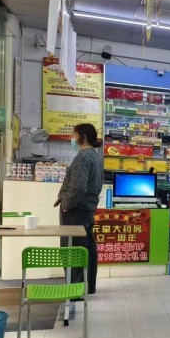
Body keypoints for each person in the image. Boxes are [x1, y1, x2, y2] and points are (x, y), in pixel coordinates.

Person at [54, 123, 103, 294]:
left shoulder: (83, 157)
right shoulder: (95, 156)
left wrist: (66, 205)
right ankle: (88, 286)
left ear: (83, 137)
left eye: (74, 135)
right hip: (88, 208)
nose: (72, 138)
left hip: (76, 209)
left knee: (73, 249)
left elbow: (78, 187)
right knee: (87, 247)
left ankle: (75, 290)